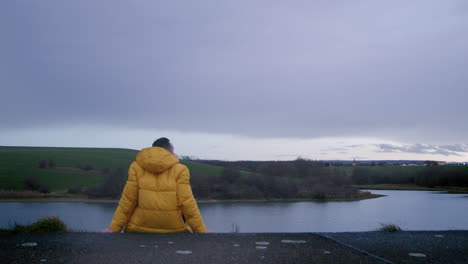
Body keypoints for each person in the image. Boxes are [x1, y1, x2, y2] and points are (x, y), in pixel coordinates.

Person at [101, 137, 207, 233]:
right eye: (173, 150)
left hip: (139, 228)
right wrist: (201, 230)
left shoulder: (136, 167)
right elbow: (187, 202)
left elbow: (128, 200)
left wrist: (113, 228)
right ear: (169, 150)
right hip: (174, 229)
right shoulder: (181, 169)